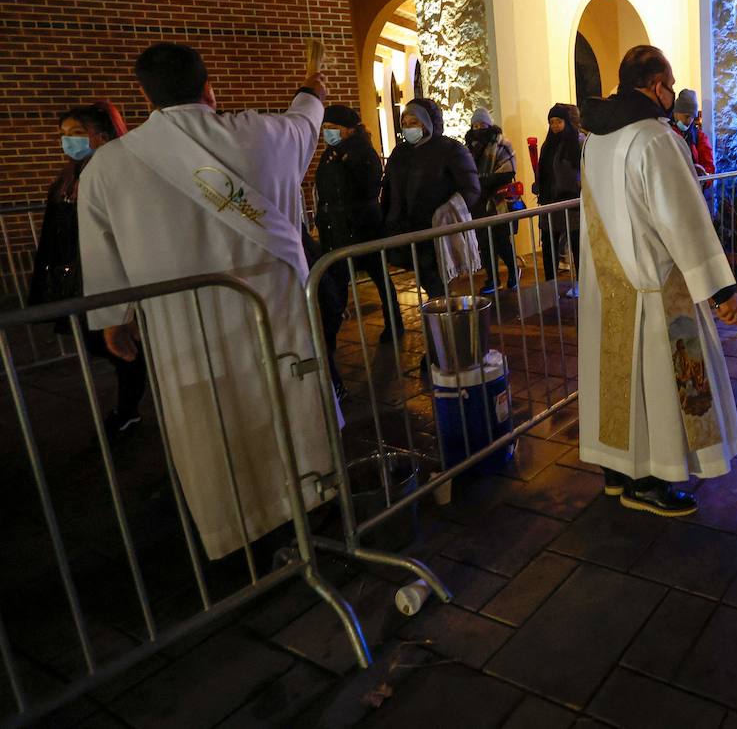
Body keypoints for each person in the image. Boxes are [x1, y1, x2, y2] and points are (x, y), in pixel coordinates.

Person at [78, 42, 337, 560]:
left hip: (183, 333)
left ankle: (234, 531)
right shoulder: (265, 136)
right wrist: (313, 86)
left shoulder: (106, 168)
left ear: (144, 96)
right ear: (208, 88)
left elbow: (100, 253)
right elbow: (306, 118)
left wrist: (113, 320)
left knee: (210, 428)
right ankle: (312, 504)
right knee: (285, 410)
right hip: (273, 317)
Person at [578, 45, 737, 516]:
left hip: (609, 282)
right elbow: (683, 219)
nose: (670, 95)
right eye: (669, 86)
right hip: (655, 286)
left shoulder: (596, 138)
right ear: (657, 87)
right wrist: (722, 289)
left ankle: (617, 472)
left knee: (619, 386)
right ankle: (650, 480)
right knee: (659, 385)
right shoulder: (656, 139)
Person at [28, 101, 147, 438]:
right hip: (79, 275)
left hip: (112, 273)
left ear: (103, 134)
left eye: (77, 132)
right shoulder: (70, 178)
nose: (68, 141)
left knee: (121, 344)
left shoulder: (115, 173)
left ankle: (129, 408)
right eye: (64, 134)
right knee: (101, 340)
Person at [315, 104, 401, 342]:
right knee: (339, 280)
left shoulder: (361, 153)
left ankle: (393, 323)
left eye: (333, 127)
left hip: (362, 227)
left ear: (349, 129)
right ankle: (329, 336)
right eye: (325, 127)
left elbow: (366, 188)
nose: (328, 132)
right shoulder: (331, 153)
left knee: (377, 276)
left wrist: (342, 167)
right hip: (337, 228)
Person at [380, 98, 480, 300]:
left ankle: (445, 314)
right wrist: (388, 220)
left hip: (437, 230)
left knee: (438, 282)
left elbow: (471, 188)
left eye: (414, 123)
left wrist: (446, 211)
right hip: (406, 231)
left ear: (427, 123)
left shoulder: (450, 149)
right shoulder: (400, 153)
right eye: (405, 124)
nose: (408, 128)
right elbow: (389, 189)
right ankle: (440, 311)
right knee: (428, 280)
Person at [464, 107, 519, 294]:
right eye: (475, 125)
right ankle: (492, 279)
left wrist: (484, 183)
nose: (479, 128)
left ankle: (513, 271)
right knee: (484, 242)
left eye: (482, 125)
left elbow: (508, 170)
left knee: (501, 240)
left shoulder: (502, 144)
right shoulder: (469, 147)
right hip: (478, 202)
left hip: (498, 201)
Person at [534, 104, 583, 295]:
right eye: (552, 122)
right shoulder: (548, 144)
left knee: (577, 244)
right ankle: (550, 285)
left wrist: (578, 187)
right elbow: (544, 169)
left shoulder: (577, 142)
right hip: (550, 202)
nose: (555, 126)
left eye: (558, 121)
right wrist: (539, 184)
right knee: (549, 244)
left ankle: (581, 282)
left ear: (566, 122)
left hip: (571, 201)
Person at [670, 89, 715, 175]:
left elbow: (709, 167)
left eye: (692, 117)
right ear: (676, 112)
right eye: (687, 116)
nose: (689, 121)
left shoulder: (698, 136)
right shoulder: (666, 133)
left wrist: (702, 175)